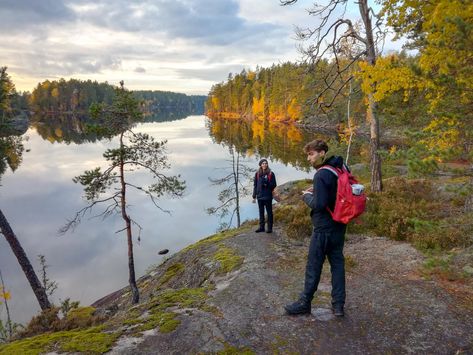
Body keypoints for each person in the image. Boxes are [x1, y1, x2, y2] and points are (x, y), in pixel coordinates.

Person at [284, 140, 347, 317]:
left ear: (321, 153)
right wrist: (317, 190)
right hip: (339, 226)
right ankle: (338, 306)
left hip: (323, 229)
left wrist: (306, 197)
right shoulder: (339, 167)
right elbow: (335, 192)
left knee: (313, 266)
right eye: (308, 155)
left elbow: (319, 205)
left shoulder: (320, 175)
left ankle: (305, 303)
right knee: (337, 265)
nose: (309, 158)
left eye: (311, 154)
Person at [252, 158, 277, 233]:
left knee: (269, 212)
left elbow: (274, 185)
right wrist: (254, 196)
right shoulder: (257, 174)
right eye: (263, 163)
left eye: (266, 163)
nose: (264, 164)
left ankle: (269, 228)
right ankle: (261, 227)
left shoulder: (271, 173)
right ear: (260, 165)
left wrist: (267, 183)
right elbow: (255, 185)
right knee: (261, 212)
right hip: (260, 196)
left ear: (267, 164)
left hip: (268, 196)